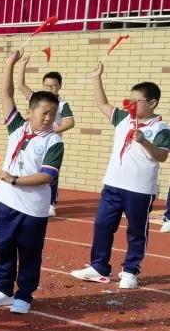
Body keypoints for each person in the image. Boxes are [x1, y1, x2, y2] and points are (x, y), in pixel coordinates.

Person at [0, 51, 64, 315]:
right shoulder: (17, 127)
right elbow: (6, 95)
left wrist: (14, 179)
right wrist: (9, 64)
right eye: (44, 113)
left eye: (53, 114)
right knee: (4, 247)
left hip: (33, 207)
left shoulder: (54, 141)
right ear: (30, 112)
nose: (49, 118)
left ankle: (24, 295)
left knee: (29, 252)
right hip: (6, 201)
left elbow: (47, 176)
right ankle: (3, 290)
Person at [70, 65, 167, 289]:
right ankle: (99, 266)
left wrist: (144, 141)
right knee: (103, 225)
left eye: (137, 101)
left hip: (140, 189)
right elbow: (102, 104)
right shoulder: (123, 118)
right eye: (130, 99)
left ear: (152, 103)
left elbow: (162, 156)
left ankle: (131, 270)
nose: (131, 104)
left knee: (136, 230)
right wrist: (97, 78)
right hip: (113, 184)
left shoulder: (161, 128)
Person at [19, 60, 73, 216]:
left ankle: (51, 204)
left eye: (54, 85)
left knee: (50, 174)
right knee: (31, 169)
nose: (50, 88)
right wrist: (22, 66)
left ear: (60, 86)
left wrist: (53, 132)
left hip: (50, 143)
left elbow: (70, 122)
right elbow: (22, 86)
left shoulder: (62, 104)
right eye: (47, 85)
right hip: (34, 141)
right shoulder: (38, 99)